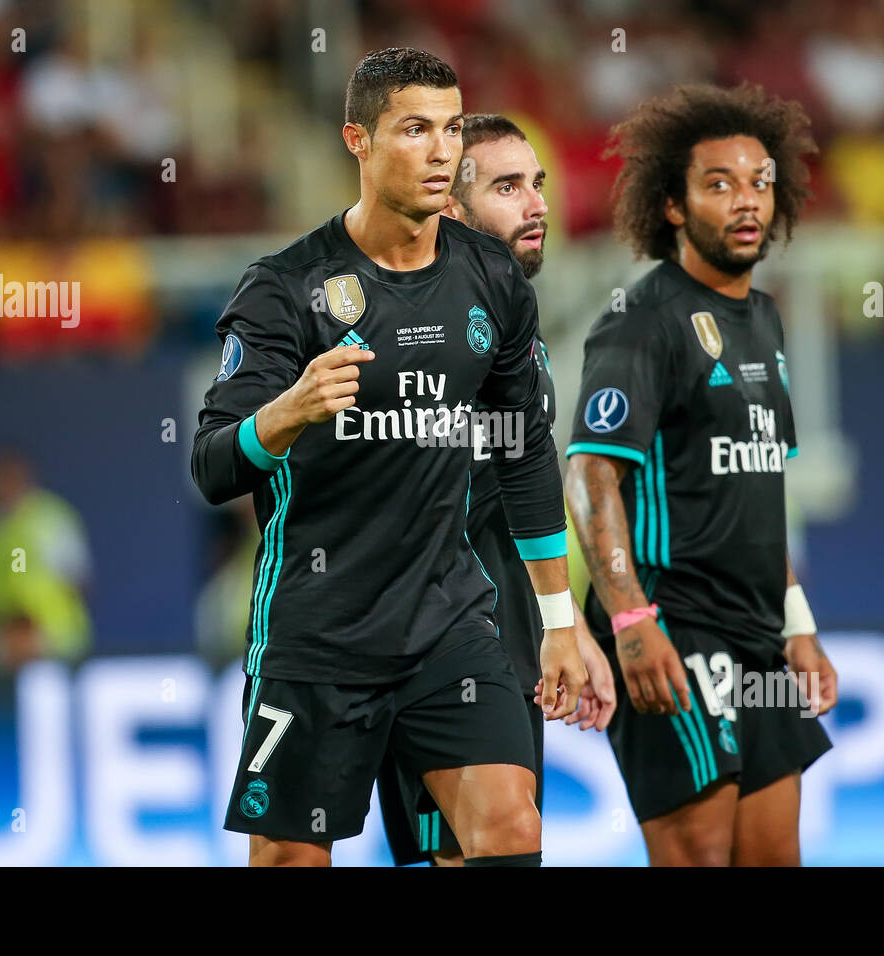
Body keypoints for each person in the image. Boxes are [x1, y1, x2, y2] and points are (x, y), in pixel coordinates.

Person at [191, 49, 587, 868]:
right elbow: (212, 465)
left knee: (510, 825)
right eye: (415, 129)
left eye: (450, 129)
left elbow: (525, 456)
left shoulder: (493, 281)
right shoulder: (284, 289)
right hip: (318, 629)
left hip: (448, 620)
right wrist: (287, 412)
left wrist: (558, 623)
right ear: (358, 142)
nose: (442, 150)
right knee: (291, 858)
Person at [564, 83, 838, 866]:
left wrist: (798, 625)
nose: (746, 201)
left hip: (759, 638)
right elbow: (590, 475)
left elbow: (760, 492)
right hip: (673, 625)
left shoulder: (767, 318)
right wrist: (627, 621)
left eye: (759, 182)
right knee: (697, 854)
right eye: (718, 184)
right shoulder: (642, 320)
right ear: (674, 206)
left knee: (774, 856)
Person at [376, 114, 616, 866]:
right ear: (451, 206)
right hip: (431, 642)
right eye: (509, 187)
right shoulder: (412, 326)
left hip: (511, 635)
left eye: (538, 183)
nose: (537, 203)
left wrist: (564, 621)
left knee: (495, 847)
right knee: (505, 838)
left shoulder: (515, 331)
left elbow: (514, 492)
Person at [0, 448, 92, 670]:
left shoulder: (50, 519)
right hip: (5, 647)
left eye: (9, 478)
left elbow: (79, 580)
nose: (1, 487)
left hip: (56, 640)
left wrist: (36, 627)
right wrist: (10, 629)